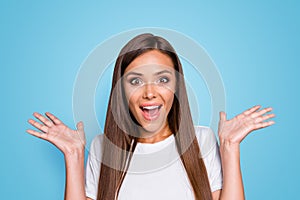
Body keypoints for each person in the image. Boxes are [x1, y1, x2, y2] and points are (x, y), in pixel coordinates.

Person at [27, 33, 275, 200]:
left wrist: (230, 147)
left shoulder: (203, 140)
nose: (149, 92)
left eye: (162, 79)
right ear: (120, 90)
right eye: (135, 81)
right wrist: (73, 156)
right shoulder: (103, 146)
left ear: (177, 86)